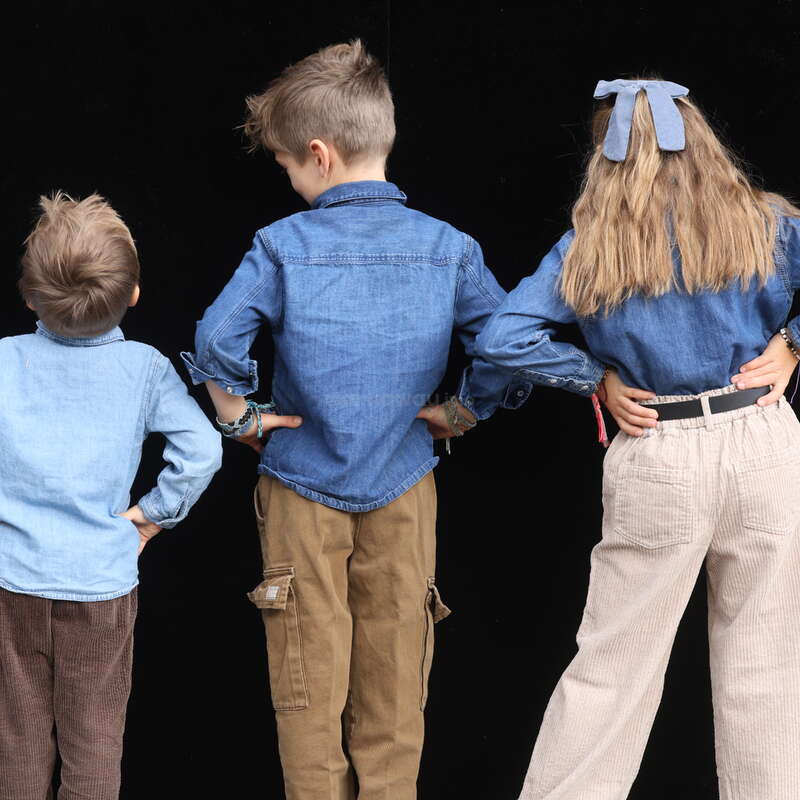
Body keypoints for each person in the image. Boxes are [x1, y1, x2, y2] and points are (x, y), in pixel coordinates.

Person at [180, 39, 530, 800]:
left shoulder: (280, 246)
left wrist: (242, 418)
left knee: (304, 681)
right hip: (406, 485)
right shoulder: (449, 248)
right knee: (398, 676)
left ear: (318, 154)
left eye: (285, 166)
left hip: (301, 485)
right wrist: (463, 409)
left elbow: (215, 341)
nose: (289, 180)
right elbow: (509, 344)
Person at [475, 78, 800, 800]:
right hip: (765, 445)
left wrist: (592, 376)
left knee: (612, 671)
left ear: (606, 160)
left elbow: (502, 337)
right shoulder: (766, 224)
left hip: (660, 451)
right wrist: (792, 346)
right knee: (766, 669)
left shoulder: (590, 247)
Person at [0, 192, 222, 800]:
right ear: (133, 295)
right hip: (101, 584)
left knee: (16, 739)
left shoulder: (3, 361)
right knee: (94, 740)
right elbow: (203, 451)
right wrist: (151, 518)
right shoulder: (143, 367)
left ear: (28, 297)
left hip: (11, 583)